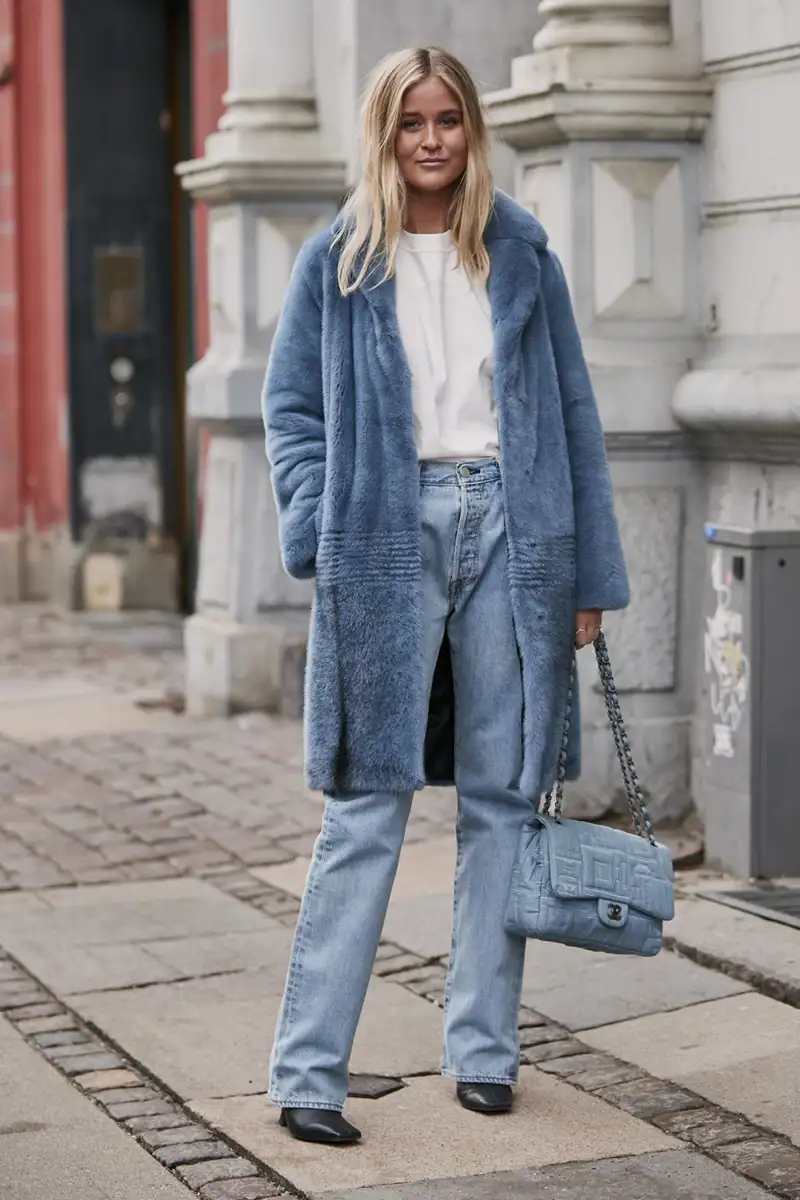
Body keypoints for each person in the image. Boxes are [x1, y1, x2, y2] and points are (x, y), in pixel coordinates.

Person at [262, 46, 629, 1146]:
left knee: (499, 801)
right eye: (411, 122)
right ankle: (307, 1072)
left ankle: (481, 1051)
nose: (430, 140)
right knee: (365, 806)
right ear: (382, 134)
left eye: (448, 121)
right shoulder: (336, 262)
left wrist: (588, 576)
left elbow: (572, 418)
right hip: (383, 534)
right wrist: (321, 529)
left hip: (513, 533)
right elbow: (291, 413)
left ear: (471, 131)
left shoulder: (520, 253)